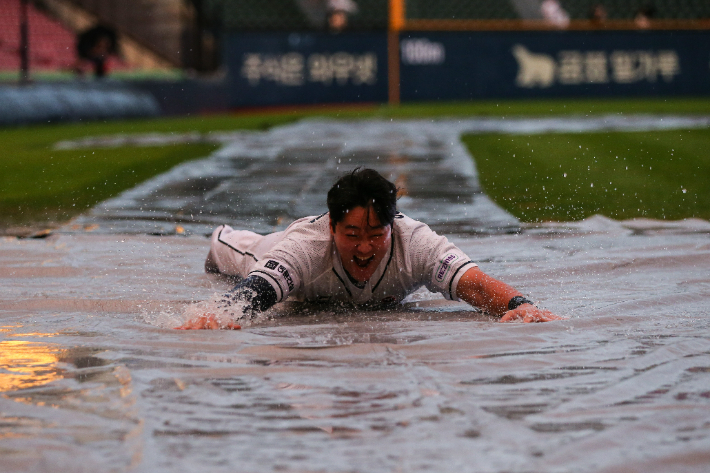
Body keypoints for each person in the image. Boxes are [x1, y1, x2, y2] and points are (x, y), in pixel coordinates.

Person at [177, 168, 561, 330]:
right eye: (352, 234)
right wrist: (219, 314)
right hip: (272, 250)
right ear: (332, 226)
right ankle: (223, 236)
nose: (364, 247)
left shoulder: (416, 242)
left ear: (393, 226)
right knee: (230, 252)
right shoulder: (309, 244)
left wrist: (519, 305)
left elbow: (473, 284)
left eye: (376, 233)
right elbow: (258, 289)